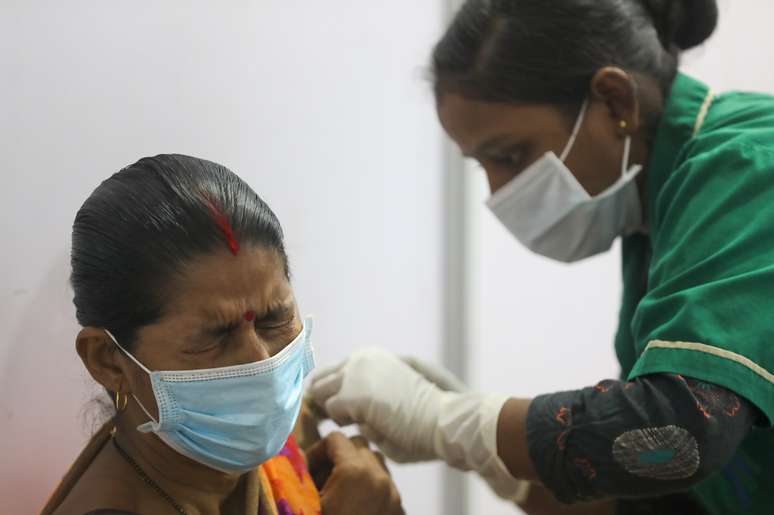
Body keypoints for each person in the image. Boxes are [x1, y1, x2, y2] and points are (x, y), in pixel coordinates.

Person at [308, 1, 774, 514]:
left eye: (510, 155)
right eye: (480, 165)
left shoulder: (748, 168)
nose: (497, 192)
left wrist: (453, 421)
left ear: (615, 101)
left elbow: (681, 433)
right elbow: (666, 501)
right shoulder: (656, 214)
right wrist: (490, 460)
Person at [43, 154, 404, 515]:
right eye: (214, 335)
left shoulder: (269, 452)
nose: (260, 363)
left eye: (273, 318)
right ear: (108, 361)